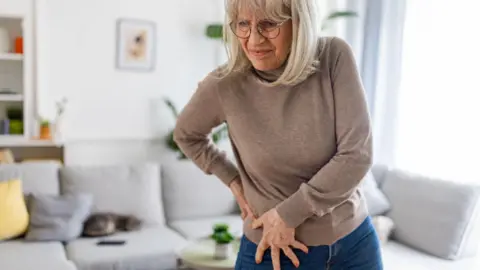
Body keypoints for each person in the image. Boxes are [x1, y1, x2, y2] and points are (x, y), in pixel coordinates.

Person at [173, 0, 383, 269]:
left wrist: (287, 214)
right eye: (243, 25)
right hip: (272, 249)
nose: (253, 39)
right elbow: (186, 134)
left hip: (353, 244)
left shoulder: (333, 56)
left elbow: (357, 155)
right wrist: (233, 180)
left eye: (269, 24)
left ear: (298, 23)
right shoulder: (224, 85)